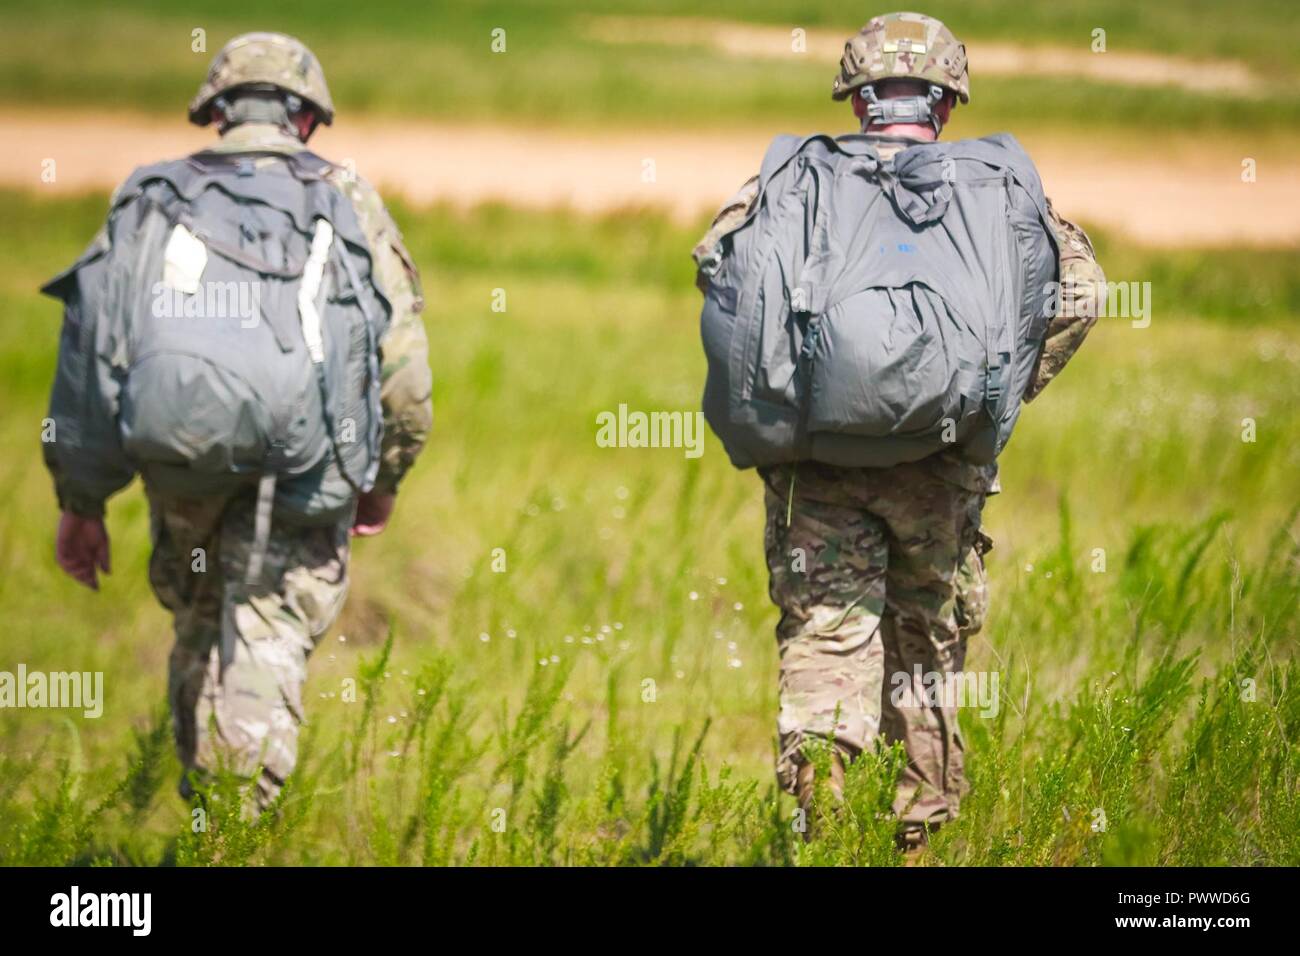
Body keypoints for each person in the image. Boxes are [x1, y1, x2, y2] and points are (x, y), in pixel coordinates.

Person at [693, 12, 1105, 850]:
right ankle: (915, 839)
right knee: (928, 650)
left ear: (856, 100)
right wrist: (1001, 388)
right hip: (944, 467)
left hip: (819, 466)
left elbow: (720, 269)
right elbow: (1082, 291)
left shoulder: (794, 177)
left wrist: (790, 397)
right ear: (948, 101)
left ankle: (820, 826)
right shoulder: (997, 185)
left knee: (825, 635)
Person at [44, 32, 433, 811]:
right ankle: (232, 832)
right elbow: (404, 372)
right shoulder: (346, 196)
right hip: (305, 471)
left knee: (201, 623)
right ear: (308, 120)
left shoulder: (151, 196)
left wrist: (81, 504)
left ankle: (208, 810)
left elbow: (91, 355)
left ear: (217, 111)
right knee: (265, 633)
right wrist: (383, 477)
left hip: (181, 460)